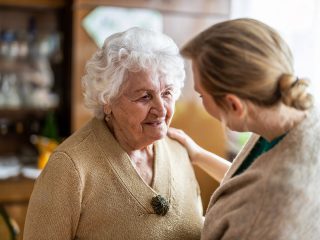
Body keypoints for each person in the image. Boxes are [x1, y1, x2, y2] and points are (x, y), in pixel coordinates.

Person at [24, 27, 203, 240]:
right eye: (145, 97)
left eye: (167, 93)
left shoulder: (179, 151)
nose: (162, 109)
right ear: (107, 100)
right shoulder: (69, 168)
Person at [168, 18, 320, 239]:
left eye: (201, 95)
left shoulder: (272, 208)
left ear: (233, 105)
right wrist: (198, 155)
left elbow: (260, 197)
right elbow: (248, 183)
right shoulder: (289, 114)